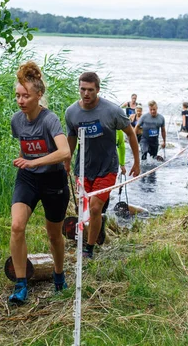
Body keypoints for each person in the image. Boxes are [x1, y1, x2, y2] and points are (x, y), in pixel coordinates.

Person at [9, 61, 71, 304]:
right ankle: (21, 284)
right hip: (28, 178)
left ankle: (58, 275)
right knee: (16, 227)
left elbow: (65, 152)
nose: (21, 101)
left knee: (54, 234)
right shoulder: (17, 120)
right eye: (17, 96)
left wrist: (34, 162)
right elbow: (25, 147)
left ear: (38, 95)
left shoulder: (50, 120)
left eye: (25, 96)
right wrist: (29, 165)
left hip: (53, 179)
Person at [65, 72, 140, 259]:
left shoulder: (112, 111)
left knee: (95, 207)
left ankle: (89, 249)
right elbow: (71, 138)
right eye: (83, 89)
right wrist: (66, 162)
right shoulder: (71, 112)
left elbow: (130, 134)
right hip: (83, 168)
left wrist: (136, 162)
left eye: (90, 90)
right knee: (83, 209)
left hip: (107, 168)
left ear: (98, 90)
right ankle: (98, 226)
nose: (86, 93)